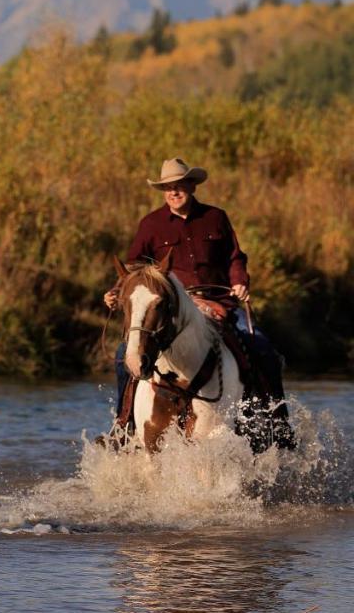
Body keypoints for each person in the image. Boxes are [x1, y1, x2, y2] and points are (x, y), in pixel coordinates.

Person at [104, 158, 289, 435]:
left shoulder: (215, 217)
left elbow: (234, 257)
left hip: (219, 302)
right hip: (175, 307)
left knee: (263, 349)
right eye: (168, 187)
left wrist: (239, 282)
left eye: (179, 185)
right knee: (123, 355)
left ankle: (277, 426)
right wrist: (117, 292)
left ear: (192, 186)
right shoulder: (151, 224)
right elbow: (135, 271)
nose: (173, 192)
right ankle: (123, 425)